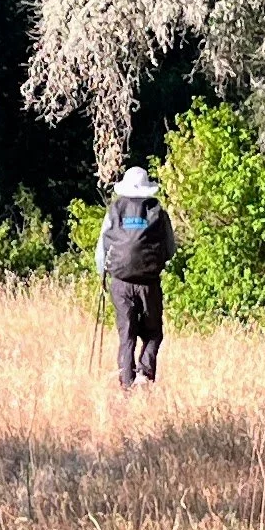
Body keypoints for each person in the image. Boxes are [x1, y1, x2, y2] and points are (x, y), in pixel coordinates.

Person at [95, 167, 178, 390]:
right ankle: (144, 374)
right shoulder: (158, 212)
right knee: (153, 333)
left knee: (127, 334)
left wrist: (103, 275)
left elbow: (101, 249)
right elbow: (170, 249)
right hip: (149, 283)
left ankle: (126, 385)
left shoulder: (115, 210)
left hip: (120, 282)